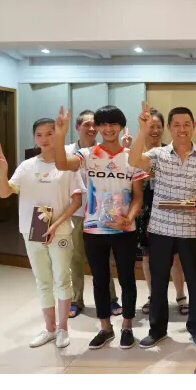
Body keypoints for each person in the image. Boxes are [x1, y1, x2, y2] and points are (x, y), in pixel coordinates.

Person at [55, 105, 146, 350]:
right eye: (102, 124)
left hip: (124, 230)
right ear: (97, 127)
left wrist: (129, 218)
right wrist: (60, 134)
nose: (108, 128)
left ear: (121, 127)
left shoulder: (132, 158)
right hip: (94, 229)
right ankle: (105, 328)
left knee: (127, 279)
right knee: (100, 279)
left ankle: (127, 326)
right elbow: (62, 164)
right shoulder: (87, 154)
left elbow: (138, 197)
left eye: (113, 124)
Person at [0, 118, 84, 348]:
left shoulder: (66, 165)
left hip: (59, 231)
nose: (44, 139)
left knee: (62, 279)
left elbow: (76, 201)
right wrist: (3, 170)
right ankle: (49, 329)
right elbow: (4, 192)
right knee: (43, 281)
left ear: (57, 134)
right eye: (39, 134)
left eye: (50, 133)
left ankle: (62, 329)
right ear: (34, 138)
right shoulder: (27, 166)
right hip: (32, 230)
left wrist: (55, 224)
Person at [129, 103, 196, 348]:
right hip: (161, 228)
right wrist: (142, 130)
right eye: (176, 125)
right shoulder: (158, 155)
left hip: (191, 229)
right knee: (158, 282)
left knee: (195, 282)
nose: (182, 129)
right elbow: (134, 160)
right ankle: (157, 329)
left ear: (194, 125)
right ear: (169, 127)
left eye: (186, 124)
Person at [65, 110, 121, 318]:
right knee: (75, 258)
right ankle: (75, 300)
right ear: (77, 127)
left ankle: (111, 298)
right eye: (86, 125)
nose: (91, 129)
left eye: (93, 125)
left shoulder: (104, 150)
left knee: (103, 260)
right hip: (76, 212)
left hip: (101, 213)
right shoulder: (67, 151)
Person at [135, 108, 188, 316]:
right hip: (145, 210)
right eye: (151, 126)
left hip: (169, 209)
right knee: (147, 256)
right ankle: (153, 296)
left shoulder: (170, 151)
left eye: (158, 126)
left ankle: (181, 296)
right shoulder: (136, 153)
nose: (155, 130)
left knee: (175, 256)